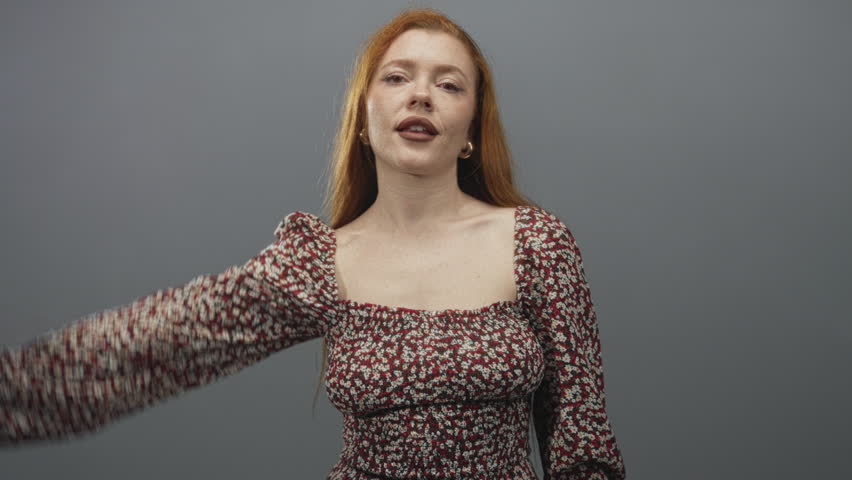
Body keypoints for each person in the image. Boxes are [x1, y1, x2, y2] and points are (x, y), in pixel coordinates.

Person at [1, 7, 627, 480]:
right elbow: (159, 344)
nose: (420, 95)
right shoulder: (317, 263)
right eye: (398, 77)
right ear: (363, 117)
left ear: (470, 127)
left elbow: (583, 444)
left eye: (449, 84)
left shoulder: (537, 243)